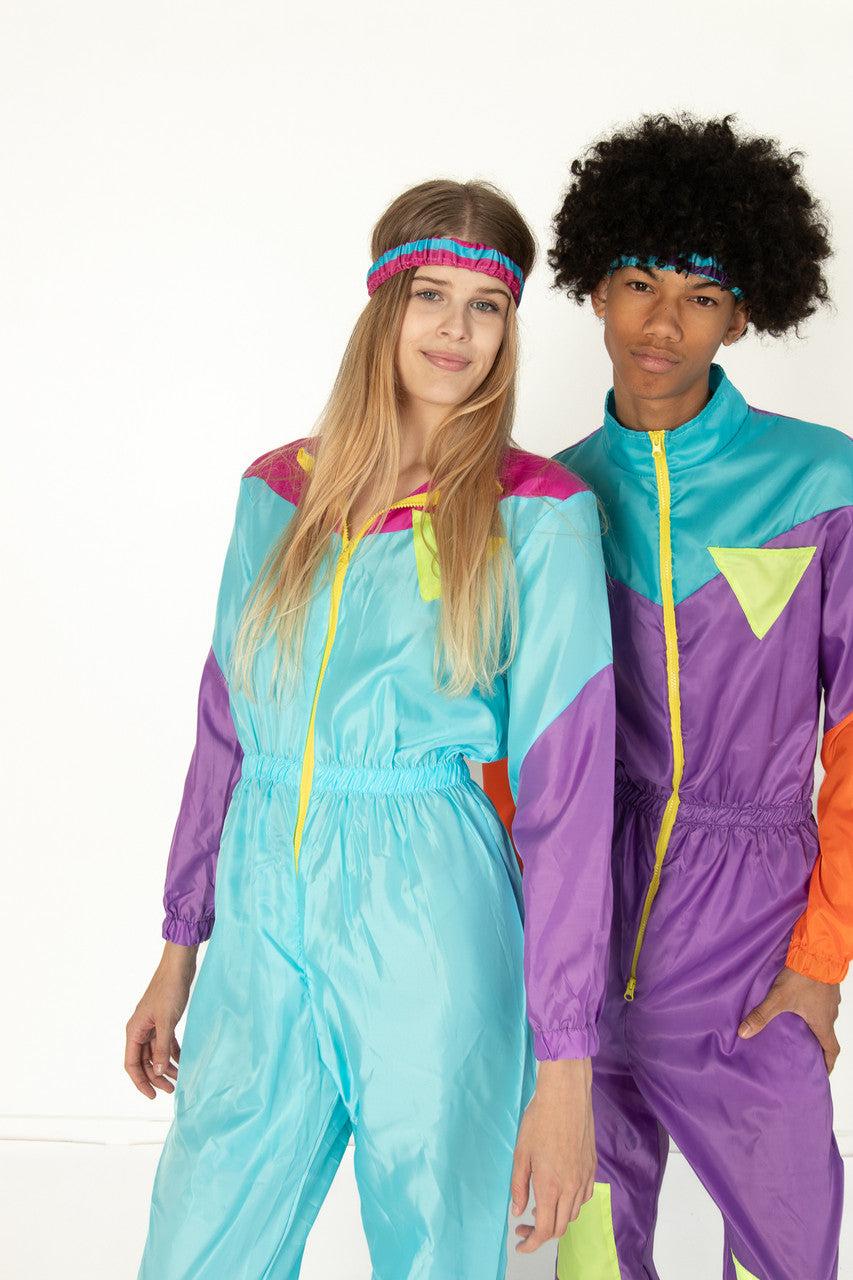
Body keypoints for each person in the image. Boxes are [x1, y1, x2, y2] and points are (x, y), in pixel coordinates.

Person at [126, 178, 616, 1278]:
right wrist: (178, 949)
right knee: (197, 1243)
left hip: (431, 915)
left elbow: (569, 795)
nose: (455, 330)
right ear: (382, 305)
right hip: (261, 911)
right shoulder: (276, 492)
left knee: (441, 1250)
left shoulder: (537, 512)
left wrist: (565, 1066)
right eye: (429, 295)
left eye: (486, 307)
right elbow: (224, 728)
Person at [484, 114, 848, 1279]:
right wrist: (527, 934)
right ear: (594, 289)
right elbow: (504, 745)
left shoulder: (821, 481)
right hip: (582, 934)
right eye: (639, 283)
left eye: (701, 295)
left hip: (753, 933)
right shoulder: (547, 501)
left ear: (742, 316)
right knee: (591, 1254)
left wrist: (818, 963)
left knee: (787, 1245)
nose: (661, 322)